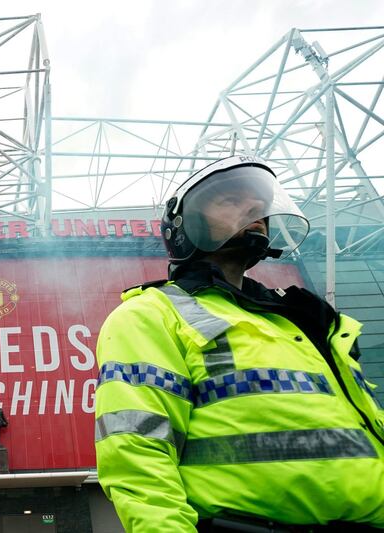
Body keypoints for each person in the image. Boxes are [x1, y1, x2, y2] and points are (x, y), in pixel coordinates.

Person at [94, 155, 384, 531]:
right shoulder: (152, 314)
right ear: (188, 225)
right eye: (230, 200)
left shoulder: (304, 320)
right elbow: (137, 451)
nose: (252, 210)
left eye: (258, 205)